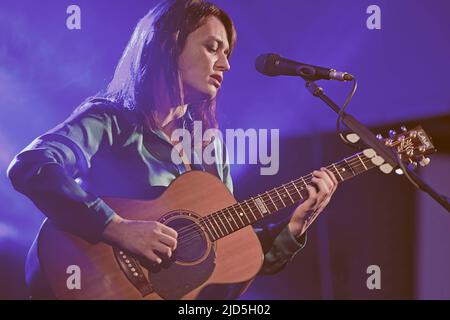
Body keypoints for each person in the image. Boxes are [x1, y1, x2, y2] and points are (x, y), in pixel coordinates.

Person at [7, 0, 338, 299]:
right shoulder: (109, 120)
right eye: (212, 48)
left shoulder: (209, 147)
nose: (226, 64)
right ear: (169, 46)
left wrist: (296, 226)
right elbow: (32, 164)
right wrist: (117, 228)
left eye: (227, 53)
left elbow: (229, 254)